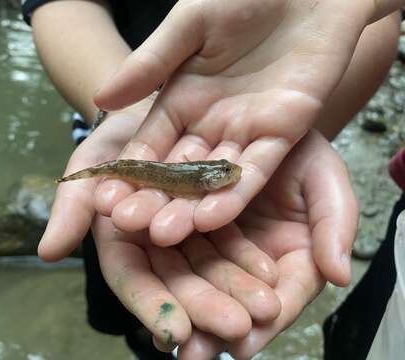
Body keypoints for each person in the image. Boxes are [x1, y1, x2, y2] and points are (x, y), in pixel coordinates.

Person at [21, 0, 402, 358]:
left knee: (211, 316)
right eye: (222, 172)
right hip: (124, 163)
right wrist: (129, 110)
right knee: (139, 297)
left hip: (250, 153)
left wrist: (294, 124)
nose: (226, 176)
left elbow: (379, 20)